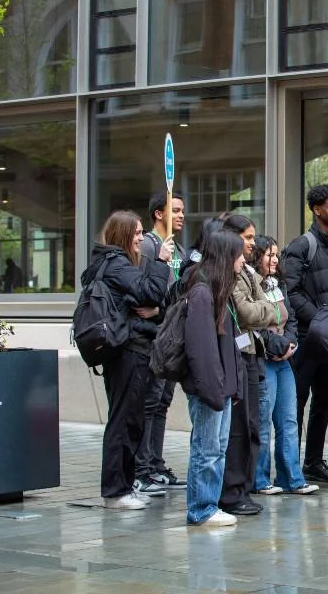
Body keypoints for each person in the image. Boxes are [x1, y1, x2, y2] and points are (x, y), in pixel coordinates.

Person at [79, 210, 171, 509]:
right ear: (122, 235)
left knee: (130, 418)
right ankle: (116, 491)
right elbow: (152, 292)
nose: (142, 238)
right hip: (128, 351)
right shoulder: (116, 263)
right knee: (125, 419)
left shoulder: (107, 264)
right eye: (137, 233)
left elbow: (144, 301)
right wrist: (161, 262)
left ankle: (124, 486)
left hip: (126, 349)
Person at [281, 184, 328, 483]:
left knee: (323, 401)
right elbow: (290, 290)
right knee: (296, 401)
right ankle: (289, 464)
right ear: (316, 209)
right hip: (306, 337)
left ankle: (314, 462)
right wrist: (319, 319)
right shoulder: (302, 245)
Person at [181, 230, 247, 527]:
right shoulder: (202, 292)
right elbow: (201, 349)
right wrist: (214, 389)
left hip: (222, 387)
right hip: (210, 389)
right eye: (239, 254)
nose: (243, 261)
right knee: (206, 450)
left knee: (217, 448)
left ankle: (210, 503)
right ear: (225, 257)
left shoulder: (220, 292)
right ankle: (201, 508)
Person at [250, 235, 319, 496]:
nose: (275, 259)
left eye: (277, 254)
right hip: (265, 360)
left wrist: (289, 344)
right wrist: (278, 347)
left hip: (285, 360)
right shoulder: (251, 283)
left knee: (289, 420)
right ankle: (260, 479)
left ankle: (291, 477)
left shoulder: (279, 284)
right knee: (264, 422)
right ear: (257, 256)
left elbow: (290, 318)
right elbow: (254, 323)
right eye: (269, 254)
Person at [219, 215, 278, 516]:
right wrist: (265, 309)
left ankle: (245, 486)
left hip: (254, 353)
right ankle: (232, 491)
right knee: (239, 427)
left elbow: (276, 309)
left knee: (255, 424)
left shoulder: (249, 271)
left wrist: (265, 309)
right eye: (248, 237)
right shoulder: (225, 272)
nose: (254, 243)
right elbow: (246, 313)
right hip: (237, 354)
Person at [135, 192, 187, 495]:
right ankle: (142, 468)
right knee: (150, 402)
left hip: (173, 336)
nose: (180, 215)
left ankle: (155, 464)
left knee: (162, 402)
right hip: (155, 337)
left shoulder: (176, 248)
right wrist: (157, 309)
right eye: (175, 210)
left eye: (182, 210)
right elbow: (146, 293)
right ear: (158, 213)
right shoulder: (149, 247)